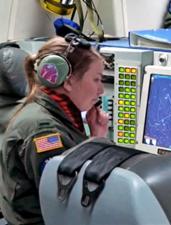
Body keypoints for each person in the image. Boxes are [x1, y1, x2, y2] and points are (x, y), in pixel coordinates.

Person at [0, 34, 109, 225]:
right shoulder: (44, 133)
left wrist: (96, 137)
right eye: (96, 80)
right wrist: (99, 143)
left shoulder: (57, 113)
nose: (101, 91)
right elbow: (69, 202)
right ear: (68, 81)